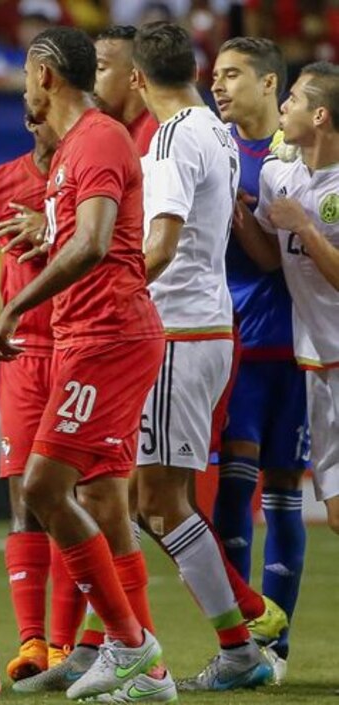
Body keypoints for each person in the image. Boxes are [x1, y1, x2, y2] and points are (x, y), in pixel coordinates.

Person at [0, 26, 175, 703]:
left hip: (109, 336)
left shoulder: (95, 140)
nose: (22, 93)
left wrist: (12, 308)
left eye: (24, 78)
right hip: (88, 335)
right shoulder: (71, 149)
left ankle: (132, 645)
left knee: (41, 487)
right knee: (100, 499)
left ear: (44, 73)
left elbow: (93, 244)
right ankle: (147, 671)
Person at [131, 22, 273, 692]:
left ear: (136, 79)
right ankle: (239, 625)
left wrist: (103, 287)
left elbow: (161, 243)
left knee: (156, 501)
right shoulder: (215, 129)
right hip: (208, 329)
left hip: (177, 332)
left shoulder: (167, 139)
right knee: (151, 496)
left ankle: (238, 644)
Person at [0, 117, 86, 682]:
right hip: (21, 354)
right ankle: (32, 643)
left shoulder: (95, 179)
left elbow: (111, 243)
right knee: (24, 497)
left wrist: (55, 225)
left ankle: (64, 646)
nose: (49, 122)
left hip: (82, 346)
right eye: (38, 112)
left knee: (72, 497)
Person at [211, 36, 301, 674]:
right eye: (214, 74)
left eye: (232, 75)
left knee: (285, 489)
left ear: (269, 84)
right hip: (233, 339)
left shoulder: (300, 153)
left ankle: (277, 644)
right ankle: (239, 646)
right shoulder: (210, 145)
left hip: (297, 343)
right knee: (233, 488)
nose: (218, 86)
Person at [234, 61, 339, 537]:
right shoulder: (279, 175)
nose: (283, 107)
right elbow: (271, 260)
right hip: (316, 362)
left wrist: (304, 227)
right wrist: (240, 216)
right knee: (335, 518)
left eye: (293, 99)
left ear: (319, 115)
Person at [93, 25, 159, 155]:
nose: (89, 78)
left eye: (100, 68)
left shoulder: (157, 137)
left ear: (135, 77)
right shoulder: (100, 130)